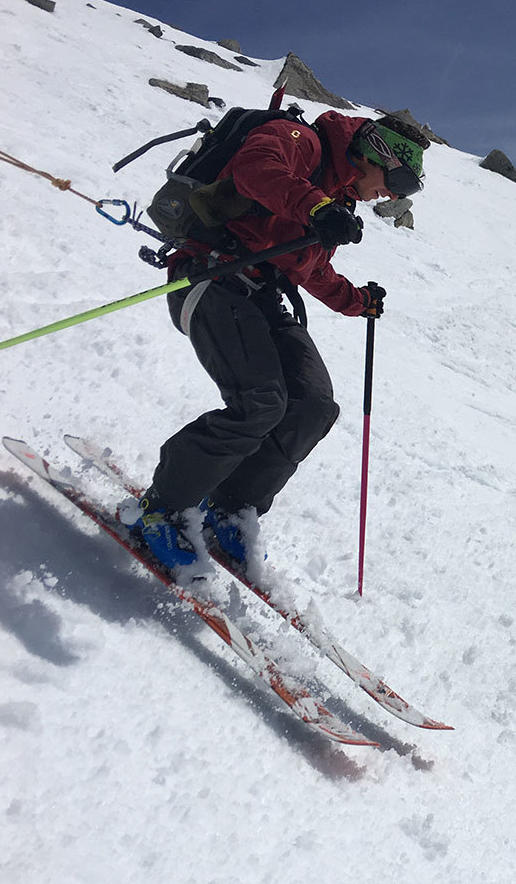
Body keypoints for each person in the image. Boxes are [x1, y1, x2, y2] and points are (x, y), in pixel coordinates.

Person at [120, 110, 429, 576]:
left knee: (313, 405)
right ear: (375, 152)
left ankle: (230, 506)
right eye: (399, 179)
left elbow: (307, 268)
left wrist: (357, 301)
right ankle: (160, 509)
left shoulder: (336, 196)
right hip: (210, 275)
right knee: (260, 403)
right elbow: (256, 168)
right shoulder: (302, 142)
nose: (393, 194)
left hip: (258, 292)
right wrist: (316, 207)